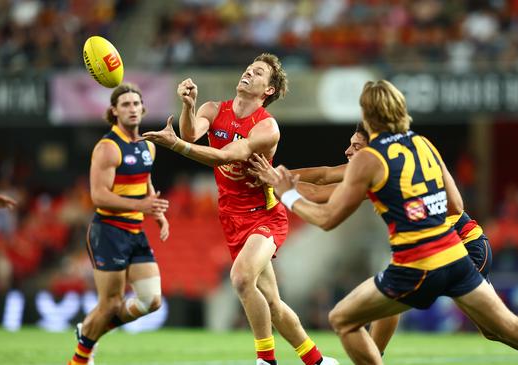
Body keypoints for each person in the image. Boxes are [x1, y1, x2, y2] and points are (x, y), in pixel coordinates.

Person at [252, 80, 518, 365]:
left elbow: (326, 218)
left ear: (370, 116)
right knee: (506, 327)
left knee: (342, 319)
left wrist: (287, 194)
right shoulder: (422, 144)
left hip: (422, 259)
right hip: (456, 253)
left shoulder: (371, 160)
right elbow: (455, 203)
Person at [141, 53, 337, 365]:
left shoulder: (267, 127)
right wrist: (188, 107)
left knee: (242, 278)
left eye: (257, 72)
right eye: (248, 68)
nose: (248, 73)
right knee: (272, 303)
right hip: (231, 217)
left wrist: (176, 145)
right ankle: (318, 361)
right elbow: (192, 133)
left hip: (265, 215)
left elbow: (225, 156)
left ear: (267, 90)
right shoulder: (213, 109)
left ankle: (266, 360)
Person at [250, 122, 494, 356]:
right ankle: (375, 356)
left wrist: (275, 182)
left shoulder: (380, 168)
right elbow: (324, 175)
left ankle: (373, 357)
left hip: (463, 247)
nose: (347, 151)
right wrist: (274, 174)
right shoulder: (377, 164)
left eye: (356, 146)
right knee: (393, 299)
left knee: (497, 330)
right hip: (439, 249)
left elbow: (319, 193)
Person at [68, 83, 170, 365]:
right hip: (108, 231)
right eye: (125, 105)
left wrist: (157, 213)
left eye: (136, 104)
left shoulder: (148, 146)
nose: (132, 109)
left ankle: (88, 331)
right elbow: (99, 196)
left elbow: (145, 182)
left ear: (143, 108)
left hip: (135, 231)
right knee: (111, 303)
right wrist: (142, 206)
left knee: (151, 300)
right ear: (114, 111)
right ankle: (80, 358)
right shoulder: (107, 148)